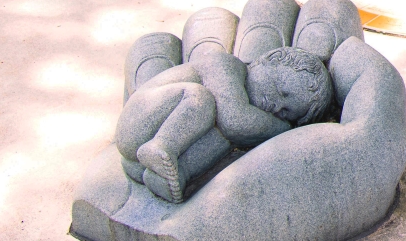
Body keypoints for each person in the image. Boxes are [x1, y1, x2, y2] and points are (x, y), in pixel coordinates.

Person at [114, 45, 333, 202]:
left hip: (137, 160)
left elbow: (231, 130)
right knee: (201, 99)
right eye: (280, 91)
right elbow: (235, 120)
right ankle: (161, 146)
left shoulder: (245, 115)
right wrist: (285, 128)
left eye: (285, 112)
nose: (274, 107)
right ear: (271, 59)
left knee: (222, 140)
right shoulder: (226, 65)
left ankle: (166, 174)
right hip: (139, 121)